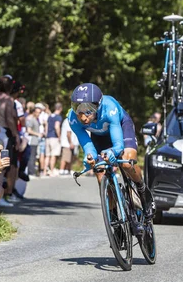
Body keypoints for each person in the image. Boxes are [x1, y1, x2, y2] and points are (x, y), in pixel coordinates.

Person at [69, 83, 155, 220]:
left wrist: (113, 152)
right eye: (77, 109)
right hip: (99, 136)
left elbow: (118, 145)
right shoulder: (73, 119)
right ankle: (114, 218)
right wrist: (90, 157)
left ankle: (142, 190)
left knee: (127, 162)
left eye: (88, 110)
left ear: (98, 105)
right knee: (100, 171)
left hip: (120, 127)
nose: (83, 117)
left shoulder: (109, 107)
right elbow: (87, 145)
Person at [44, 102, 63, 176]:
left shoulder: (50, 116)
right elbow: (57, 126)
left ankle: (45, 171)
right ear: (60, 108)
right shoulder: (58, 117)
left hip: (48, 137)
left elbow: (47, 126)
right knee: (53, 155)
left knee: (47, 155)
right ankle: (51, 171)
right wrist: (59, 136)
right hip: (54, 137)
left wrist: (46, 135)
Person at [25, 104, 43, 176]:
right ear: (34, 112)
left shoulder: (36, 120)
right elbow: (29, 130)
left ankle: (32, 171)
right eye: (37, 112)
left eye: (40, 112)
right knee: (31, 156)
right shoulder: (31, 120)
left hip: (36, 141)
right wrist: (38, 134)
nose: (38, 114)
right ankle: (31, 172)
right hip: (32, 141)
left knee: (34, 156)